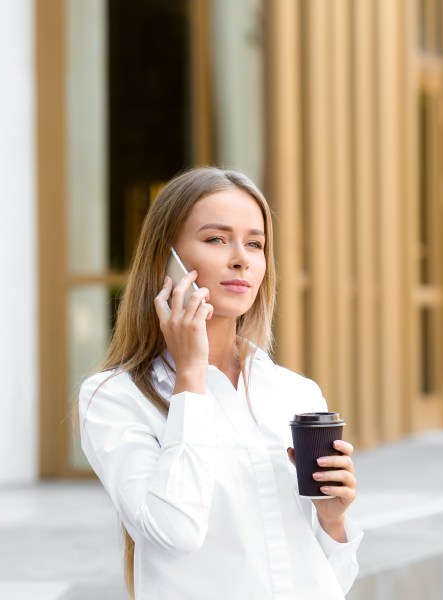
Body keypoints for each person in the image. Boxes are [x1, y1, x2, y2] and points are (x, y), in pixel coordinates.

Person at [78, 166, 362, 599]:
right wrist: (191, 376)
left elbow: (328, 581)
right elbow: (173, 531)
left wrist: (333, 521)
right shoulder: (115, 398)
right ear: (166, 259)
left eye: (255, 243)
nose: (241, 259)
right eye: (215, 239)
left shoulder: (294, 393)